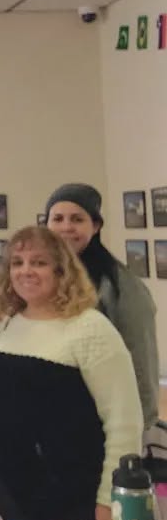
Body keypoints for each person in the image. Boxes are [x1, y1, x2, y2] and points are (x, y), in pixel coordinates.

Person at [0, 226, 143, 520]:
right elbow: (3, 392)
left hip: (73, 490)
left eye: (39, 262)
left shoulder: (91, 328)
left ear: (61, 271)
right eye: (18, 263)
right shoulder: (10, 321)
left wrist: (109, 499)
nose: (26, 271)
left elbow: (124, 420)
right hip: (13, 484)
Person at [45, 182, 160, 430]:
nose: (66, 227)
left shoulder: (121, 285)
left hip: (98, 421)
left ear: (95, 226)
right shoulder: (35, 276)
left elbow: (141, 358)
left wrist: (140, 426)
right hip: (46, 420)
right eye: (58, 218)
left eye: (77, 219)